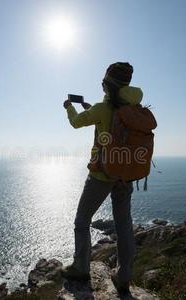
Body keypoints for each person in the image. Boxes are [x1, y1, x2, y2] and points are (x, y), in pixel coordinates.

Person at [61, 62, 144, 295]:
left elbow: (76, 123)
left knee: (82, 220)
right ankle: (124, 276)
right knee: (124, 224)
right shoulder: (133, 107)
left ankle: (80, 267)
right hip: (126, 174)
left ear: (107, 85)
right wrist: (93, 111)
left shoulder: (102, 108)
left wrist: (69, 107)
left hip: (102, 174)